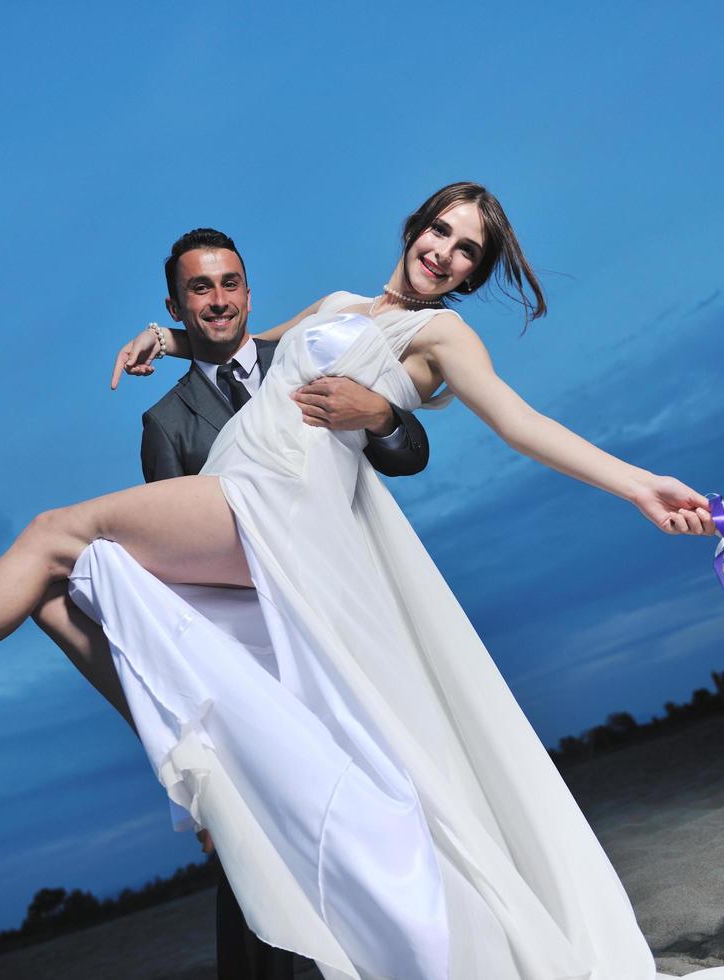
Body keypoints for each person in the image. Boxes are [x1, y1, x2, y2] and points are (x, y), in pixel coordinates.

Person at [0, 183, 724, 979]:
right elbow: (237, 345)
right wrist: (164, 336)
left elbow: (524, 425)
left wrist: (635, 483)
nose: (445, 253)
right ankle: (112, 728)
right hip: (245, 491)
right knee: (65, 577)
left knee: (53, 534)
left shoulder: (440, 336)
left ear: (472, 271)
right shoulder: (335, 298)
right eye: (439, 231)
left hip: (277, 508)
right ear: (413, 226)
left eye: (467, 249)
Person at [30, 225, 432, 979]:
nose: (218, 300)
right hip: (262, 653)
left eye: (229, 283)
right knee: (265, 845)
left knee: (400, 805)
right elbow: (171, 588)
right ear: (177, 304)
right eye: (199, 289)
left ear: (249, 290)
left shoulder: (307, 355)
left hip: (359, 621)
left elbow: (407, 455)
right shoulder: (165, 424)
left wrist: (377, 414)